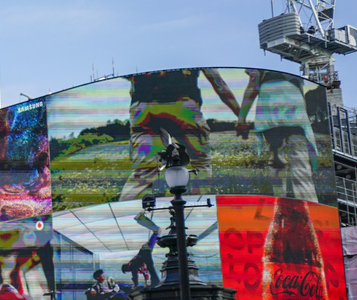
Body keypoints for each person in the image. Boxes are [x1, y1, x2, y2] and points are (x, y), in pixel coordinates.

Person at [119, 68, 241, 201]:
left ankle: (124, 214)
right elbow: (219, 84)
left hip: (143, 108)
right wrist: (241, 117)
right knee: (200, 163)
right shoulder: (193, 50)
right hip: (183, 106)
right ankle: (197, 209)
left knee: (143, 172)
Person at [236, 69, 319, 203]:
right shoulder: (293, 75)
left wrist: (241, 119)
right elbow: (301, 94)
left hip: (270, 107)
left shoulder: (259, 69)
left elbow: (253, 83)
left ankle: (280, 205)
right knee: (301, 164)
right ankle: (310, 206)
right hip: (295, 108)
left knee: (277, 163)